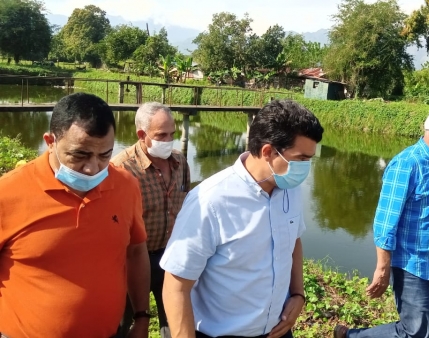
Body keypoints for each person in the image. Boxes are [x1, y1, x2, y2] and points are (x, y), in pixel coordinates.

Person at [160, 99, 324, 338]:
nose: (306, 167)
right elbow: (175, 286)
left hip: (277, 330)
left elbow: (293, 240)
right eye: (301, 159)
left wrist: (298, 294)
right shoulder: (210, 200)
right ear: (268, 152)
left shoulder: (289, 188)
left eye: (310, 159)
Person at [0, 92, 151, 338]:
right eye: (79, 155)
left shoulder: (126, 186)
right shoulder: (8, 193)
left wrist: (142, 317)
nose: (92, 168)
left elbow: (135, 251)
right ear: (50, 141)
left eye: (105, 155)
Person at [334, 107, 429, 338]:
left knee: (428, 332)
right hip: (412, 264)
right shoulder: (407, 164)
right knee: (413, 332)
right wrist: (383, 269)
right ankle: (350, 336)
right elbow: (385, 222)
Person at [112, 102, 191, 338]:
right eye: (161, 135)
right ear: (142, 134)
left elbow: (186, 204)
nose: (168, 141)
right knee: (125, 324)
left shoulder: (180, 163)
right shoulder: (121, 169)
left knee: (176, 323)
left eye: (172, 134)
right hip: (133, 261)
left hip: (172, 257)